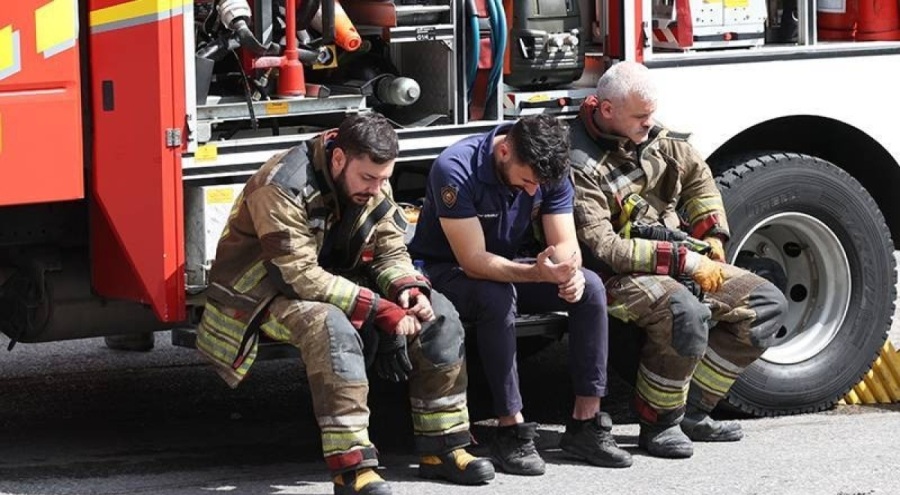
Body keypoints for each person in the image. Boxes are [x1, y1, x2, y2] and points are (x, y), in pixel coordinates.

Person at [196, 113, 495, 495]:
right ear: (339, 160)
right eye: (369, 179)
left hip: (336, 281)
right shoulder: (281, 185)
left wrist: (408, 290)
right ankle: (351, 468)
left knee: (440, 315)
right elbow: (297, 276)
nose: (377, 188)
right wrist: (378, 308)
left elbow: (390, 248)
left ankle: (444, 447)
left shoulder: (372, 178)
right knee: (332, 328)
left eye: (384, 179)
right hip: (263, 292)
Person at [569, 61, 788, 459]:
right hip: (614, 274)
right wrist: (685, 263)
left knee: (765, 305)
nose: (649, 124)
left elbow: (697, 175)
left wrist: (714, 235)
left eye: (651, 114)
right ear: (606, 110)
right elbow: (605, 249)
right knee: (683, 311)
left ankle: (695, 410)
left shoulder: (651, 133)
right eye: (640, 116)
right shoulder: (579, 164)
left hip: (678, 255)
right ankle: (660, 424)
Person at [408, 114, 632, 475]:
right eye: (527, 181)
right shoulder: (455, 168)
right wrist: (536, 273)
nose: (532, 191)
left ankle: (585, 424)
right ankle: (510, 428)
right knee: (497, 297)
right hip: (447, 269)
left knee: (589, 288)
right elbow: (474, 261)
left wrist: (567, 272)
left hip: (511, 264)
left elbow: (565, 243)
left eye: (538, 186)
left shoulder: (548, 169)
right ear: (505, 150)